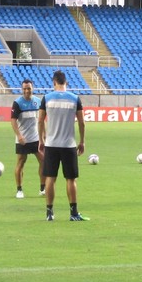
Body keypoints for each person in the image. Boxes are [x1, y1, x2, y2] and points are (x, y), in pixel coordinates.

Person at [37, 70, 88, 222]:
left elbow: (40, 120)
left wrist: (41, 140)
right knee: (71, 179)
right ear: (66, 83)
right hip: (68, 145)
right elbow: (82, 122)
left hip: (51, 144)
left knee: (50, 178)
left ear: (54, 82)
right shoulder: (75, 99)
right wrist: (82, 141)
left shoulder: (46, 98)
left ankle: (49, 213)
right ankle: (73, 213)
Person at [10, 79, 45, 198]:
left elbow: (41, 120)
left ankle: (42, 188)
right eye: (24, 88)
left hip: (36, 138)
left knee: (43, 162)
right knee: (20, 163)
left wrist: (43, 135)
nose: (26, 91)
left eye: (29, 88)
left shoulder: (38, 101)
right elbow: (13, 120)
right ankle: (19, 190)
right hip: (23, 139)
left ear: (32, 88)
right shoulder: (17, 103)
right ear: (22, 89)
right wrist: (19, 135)